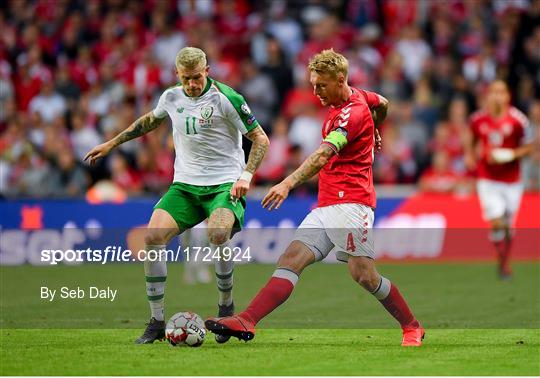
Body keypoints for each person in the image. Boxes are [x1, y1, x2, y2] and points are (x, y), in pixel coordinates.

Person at [205, 49, 424, 347]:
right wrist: (376, 128)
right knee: (291, 258)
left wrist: (287, 183)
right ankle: (248, 319)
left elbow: (322, 155)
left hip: (351, 203)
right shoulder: (360, 97)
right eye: (313, 84)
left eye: (321, 85)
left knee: (364, 276)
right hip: (327, 203)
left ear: (340, 80)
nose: (315, 91)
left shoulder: (351, 114)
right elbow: (382, 103)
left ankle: (411, 326)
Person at [84, 47, 269, 344]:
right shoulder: (171, 96)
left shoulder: (227, 99)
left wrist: (246, 175)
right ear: (178, 75)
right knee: (153, 237)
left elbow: (260, 137)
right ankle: (156, 322)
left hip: (224, 184)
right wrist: (111, 143)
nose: (192, 84)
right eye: (186, 79)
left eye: (197, 78)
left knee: (218, 234)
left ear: (207, 71)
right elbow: (149, 121)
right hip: (184, 185)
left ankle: (225, 308)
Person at [464, 80, 533, 279]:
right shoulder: (478, 119)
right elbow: (471, 138)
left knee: (508, 226)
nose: (497, 96)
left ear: (507, 96)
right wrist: (470, 155)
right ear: (488, 96)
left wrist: (511, 155)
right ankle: (502, 261)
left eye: (501, 92)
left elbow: (529, 147)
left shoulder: (518, 120)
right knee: (497, 221)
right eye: (493, 92)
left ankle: (504, 261)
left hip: (512, 180)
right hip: (488, 178)